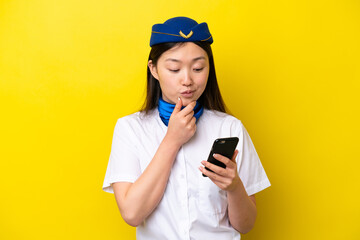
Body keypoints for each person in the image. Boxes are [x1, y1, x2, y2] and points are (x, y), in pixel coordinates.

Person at [102, 16, 271, 240]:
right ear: (154, 69)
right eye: (174, 69)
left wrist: (234, 186)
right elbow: (132, 213)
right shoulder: (130, 129)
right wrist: (172, 140)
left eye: (198, 68)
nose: (187, 80)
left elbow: (246, 225)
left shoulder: (230, 127)